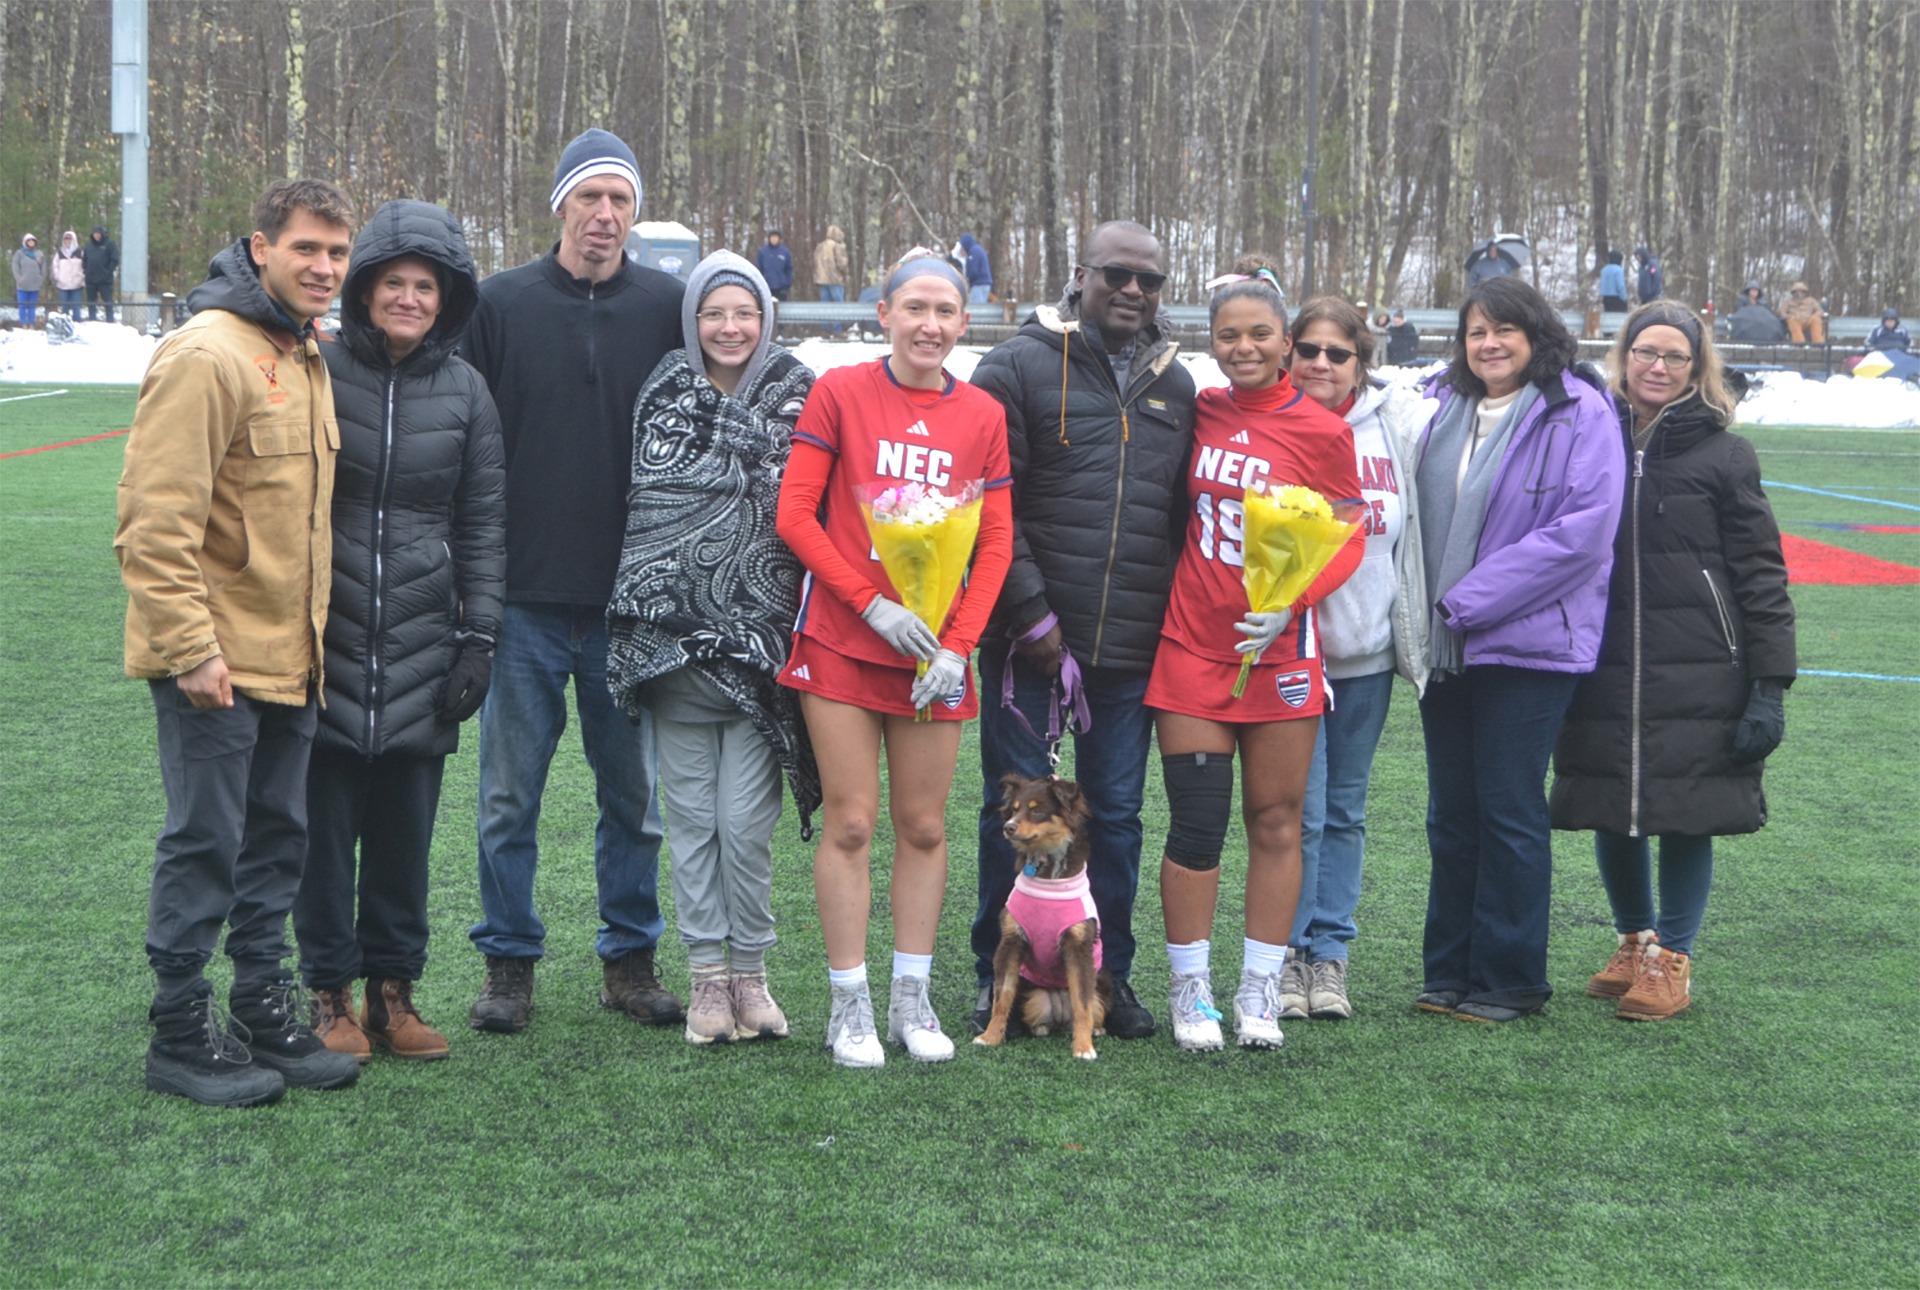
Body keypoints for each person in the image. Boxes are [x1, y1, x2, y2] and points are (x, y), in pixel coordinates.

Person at [115, 178, 362, 1107]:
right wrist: (189, 649)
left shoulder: (300, 354)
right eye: (306, 249)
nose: (324, 269)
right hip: (214, 660)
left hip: (292, 657)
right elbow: (154, 519)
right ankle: (181, 1028)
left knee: (274, 840)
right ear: (260, 248)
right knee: (205, 840)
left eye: (336, 254)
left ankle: (263, 1009)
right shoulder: (207, 354)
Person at [462, 128, 687, 1035]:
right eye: (590, 197)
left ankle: (629, 959)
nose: (604, 216)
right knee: (508, 796)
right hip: (519, 600)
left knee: (632, 798)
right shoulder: (499, 304)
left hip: (627, 606)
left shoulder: (669, 307)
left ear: (636, 213)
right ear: (559, 202)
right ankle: (507, 963)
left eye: (621, 202)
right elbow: (466, 442)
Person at [774, 250, 1014, 1068]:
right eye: (915, 308)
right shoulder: (840, 390)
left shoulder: (981, 414)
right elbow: (797, 515)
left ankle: (913, 997)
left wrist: (959, 643)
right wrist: (867, 601)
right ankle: (849, 1004)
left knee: (922, 824)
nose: (930, 325)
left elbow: (995, 542)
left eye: (946, 312)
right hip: (844, 642)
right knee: (849, 822)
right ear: (883, 314)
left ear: (964, 323)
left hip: (933, 661)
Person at [966, 220, 1197, 1043]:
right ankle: (994, 973)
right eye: (1117, 275)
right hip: (1030, 645)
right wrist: (1029, 612)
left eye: (1151, 280)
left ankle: (1109, 976)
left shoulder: (1179, 386)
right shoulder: (1019, 365)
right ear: (1080, 275)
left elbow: (1178, 521)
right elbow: (992, 502)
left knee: (1121, 819)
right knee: (1018, 817)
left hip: (1131, 650)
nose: (1134, 291)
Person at [292, 200, 505, 1065]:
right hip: (323, 638)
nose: (409, 298)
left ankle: (393, 996)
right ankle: (328, 998)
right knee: (319, 832)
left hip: (424, 644)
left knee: (403, 840)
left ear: (446, 298)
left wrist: (479, 637)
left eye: (426, 286)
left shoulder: (467, 392)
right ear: (366, 289)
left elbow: (484, 523)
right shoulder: (319, 368)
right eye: (394, 283)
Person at [1550, 302, 1795, 1021]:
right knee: (1610, 802)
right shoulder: (1588, 437)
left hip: (1701, 665)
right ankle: (1633, 941)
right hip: (1600, 657)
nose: (1658, 367)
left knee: (1687, 810)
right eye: (1646, 353)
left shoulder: (1725, 454)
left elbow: (1761, 573)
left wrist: (1769, 684)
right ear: (1625, 356)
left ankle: (1673, 958)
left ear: (1696, 368)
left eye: (1675, 357)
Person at [1145, 264, 1363, 1052]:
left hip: (1281, 655)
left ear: (1286, 342)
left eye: (1259, 334)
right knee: (1196, 824)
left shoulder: (1323, 429)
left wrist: (1290, 607)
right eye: (1228, 334)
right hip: (1192, 651)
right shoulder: (1197, 411)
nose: (1243, 347)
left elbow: (1350, 531)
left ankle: (1261, 991)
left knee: (1276, 822)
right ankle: (1191, 992)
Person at [607, 250, 821, 1046]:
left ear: (766, 318)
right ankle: (705, 978)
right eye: (713, 314)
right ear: (693, 320)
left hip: (763, 655)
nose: (729, 328)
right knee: (690, 823)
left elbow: (807, 504)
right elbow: (651, 505)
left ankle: (753, 975)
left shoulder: (800, 392)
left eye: (744, 313)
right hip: (671, 652)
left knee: (746, 827)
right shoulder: (665, 390)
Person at [1412, 275, 1625, 1024]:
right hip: (1444, 645)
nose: (1489, 343)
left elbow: (1581, 534)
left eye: (1504, 329)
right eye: (1475, 331)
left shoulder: (1579, 409)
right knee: (1451, 813)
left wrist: (1465, 601)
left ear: (1536, 335)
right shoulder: (1440, 405)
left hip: (1525, 644)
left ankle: (1509, 980)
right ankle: (1449, 970)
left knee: (1506, 810)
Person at [1278, 297, 1429, 1022]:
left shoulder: (1395, 423)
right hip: (1288, 653)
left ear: (1361, 361)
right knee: (1294, 813)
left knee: (1344, 811)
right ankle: (1284, 954)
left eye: (1338, 353)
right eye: (1308, 349)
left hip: (1364, 652)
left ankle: (1330, 955)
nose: (1322, 365)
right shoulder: (1269, 421)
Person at [83, 224, 120, 321]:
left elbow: (114, 259)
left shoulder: (110, 244)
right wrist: (86, 271)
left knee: (108, 302)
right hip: (91, 280)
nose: (97, 235)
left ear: (102, 234)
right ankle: (92, 321)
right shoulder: (89, 246)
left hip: (105, 280)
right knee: (91, 302)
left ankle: (110, 321)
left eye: (98, 233)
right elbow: (84, 260)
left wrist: (108, 272)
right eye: (95, 233)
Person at [12, 233, 43, 326]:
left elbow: (44, 268)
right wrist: (19, 279)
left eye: (32, 240)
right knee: (22, 305)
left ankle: (31, 322)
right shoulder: (19, 253)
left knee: (32, 306)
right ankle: (23, 323)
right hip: (22, 285)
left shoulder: (39, 254)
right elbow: (15, 267)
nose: (30, 242)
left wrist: (40, 279)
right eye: (28, 240)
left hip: (34, 285)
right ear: (25, 242)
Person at [813, 224, 849, 304]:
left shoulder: (820, 246)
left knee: (824, 306)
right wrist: (845, 274)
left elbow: (816, 262)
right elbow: (841, 263)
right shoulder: (837, 246)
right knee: (839, 305)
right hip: (835, 279)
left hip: (822, 279)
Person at [756, 229, 794, 302]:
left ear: (779, 239)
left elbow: (789, 269)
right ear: (769, 238)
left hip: (781, 287)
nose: (774, 239)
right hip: (766, 286)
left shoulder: (785, 252)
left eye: (776, 237)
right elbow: (758, 269)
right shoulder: (762, 252)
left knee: (782, 310)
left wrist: (787, 283)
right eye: (772, 237)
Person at [51, 231, 85, 311]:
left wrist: (81, 277)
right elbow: (55, 266)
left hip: (77, 284)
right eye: (66, 239)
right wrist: (58, 276)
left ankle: (76, 323)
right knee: (64, 308)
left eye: (69, 239)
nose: (67, 241)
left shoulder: (80, 253)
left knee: (76, 307)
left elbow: (85, 267)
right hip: (63, 285)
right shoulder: (59, 253)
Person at [958, 233, 993, 305]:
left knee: (975, 309)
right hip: (984, 283)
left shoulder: (973, 252)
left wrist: (966, 282)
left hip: (978, 284)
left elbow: (972, 270)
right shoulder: (977, 249)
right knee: (981, 306)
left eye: (962, 247)